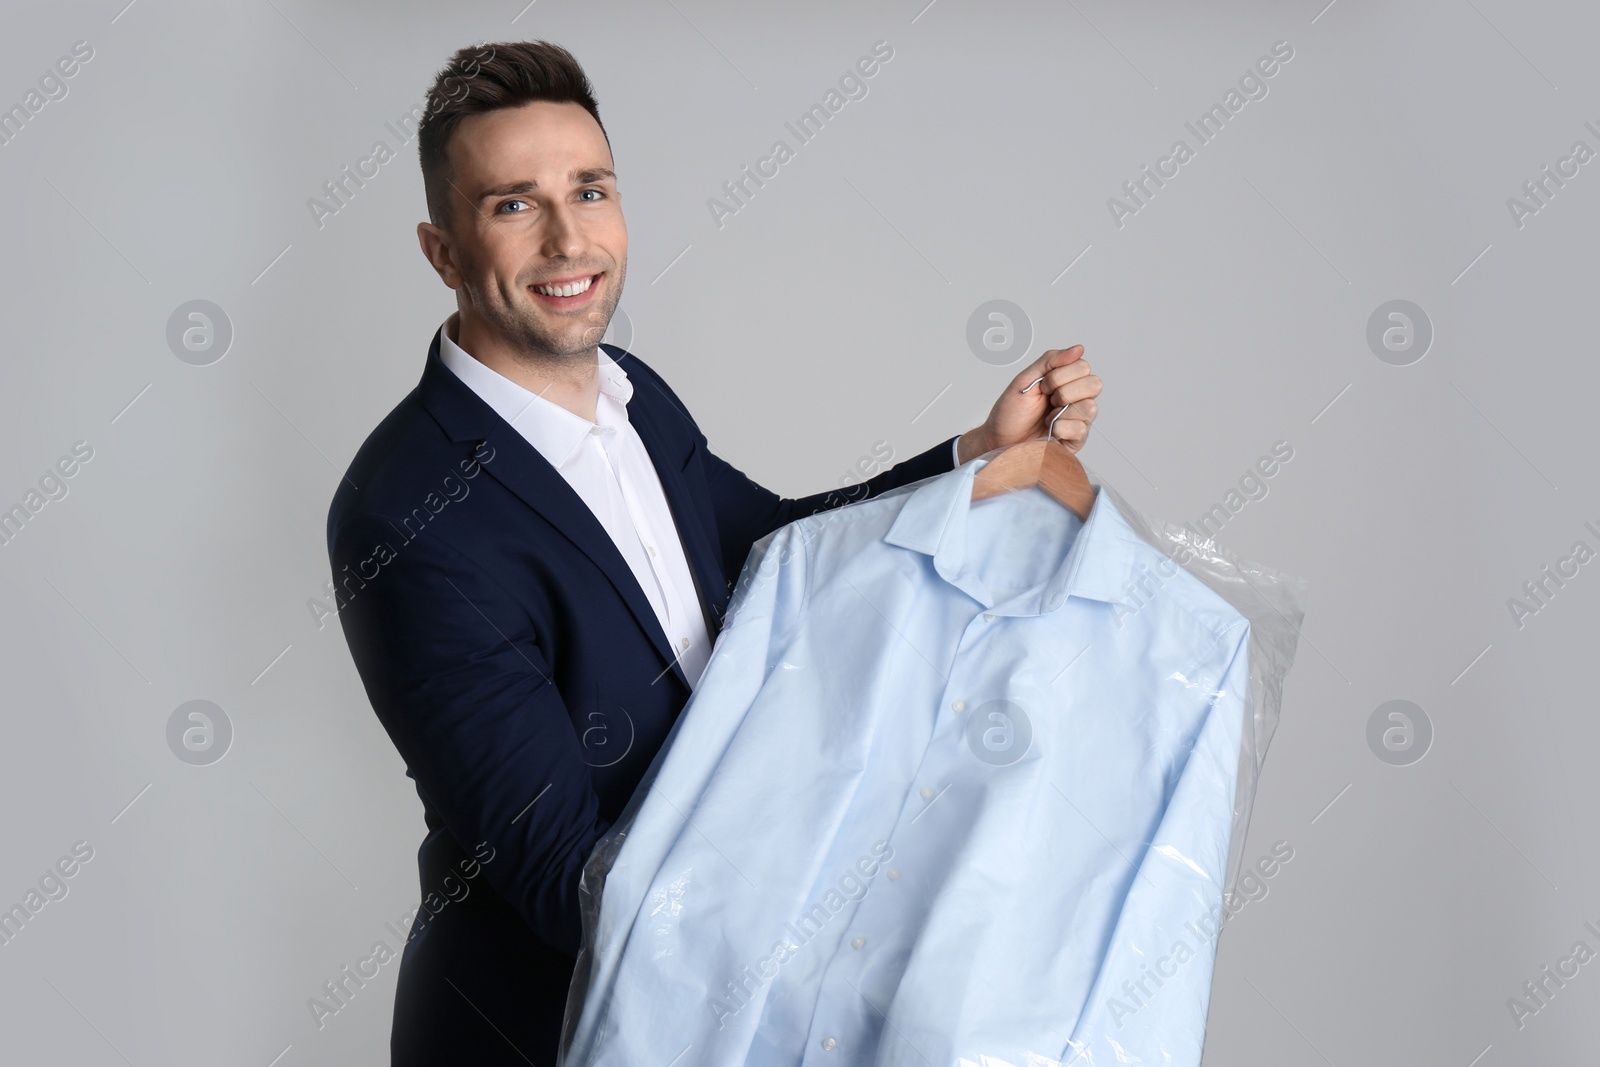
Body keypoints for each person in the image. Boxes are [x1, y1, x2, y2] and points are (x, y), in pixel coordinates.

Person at [325, 38, 1102, 1067]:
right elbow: (568, 881)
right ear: (443, 252)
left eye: (590, 190)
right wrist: (855, 866)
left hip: (725, 1009)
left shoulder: (631, 395)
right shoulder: (410, 511)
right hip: (550, 1029)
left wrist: (975, 457)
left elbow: (780, 549)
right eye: (514, 204)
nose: (570, 239)